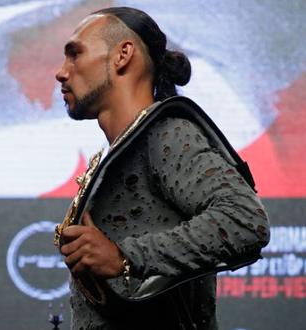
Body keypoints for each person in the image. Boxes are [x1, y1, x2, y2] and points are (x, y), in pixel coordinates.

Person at [54, 7, 270, 330]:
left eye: (75, 54)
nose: (61, 71)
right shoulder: (118, 152)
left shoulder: (166, 134)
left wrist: (124, 257)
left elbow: (245, 219)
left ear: (122, 55)